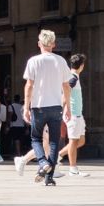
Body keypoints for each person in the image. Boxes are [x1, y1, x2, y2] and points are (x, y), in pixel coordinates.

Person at [16, 29, 71, 187]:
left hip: (39, 106)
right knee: (54, 142)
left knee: (35, 138)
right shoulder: (60, 61)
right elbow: (66, 86)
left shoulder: (33, 61)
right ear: (53, 44)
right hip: (56, 107)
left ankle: (42, 162)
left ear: (39, 43)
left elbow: (29, 86)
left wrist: (26, 107)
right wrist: (67, 107)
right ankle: (49, 177)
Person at [60, 53, 89, 177]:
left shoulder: (74, 76)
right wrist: (63, 109)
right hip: (73, 115)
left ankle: (58, 155)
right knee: (73, 141)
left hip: (78, 115)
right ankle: (73, 168)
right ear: (82, 66)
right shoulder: (73, 78)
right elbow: (65, 93)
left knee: (81, 141)